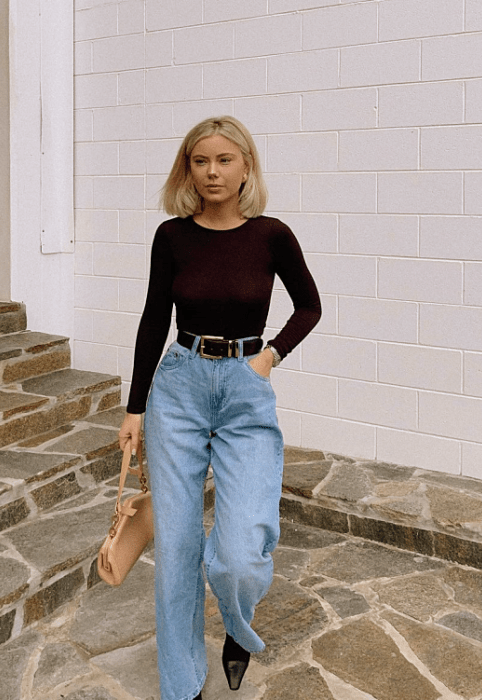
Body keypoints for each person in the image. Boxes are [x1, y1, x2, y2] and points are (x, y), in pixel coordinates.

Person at [118, 116, 321, 700]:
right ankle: (182, 684)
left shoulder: (271, 235)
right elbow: (155, 318)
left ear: (246, 167)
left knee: (239, 551)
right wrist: (135, 407)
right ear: (188, 168)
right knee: (177, 549)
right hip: (177, 388)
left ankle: (236, 626)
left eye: (224, 160)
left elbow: (309, 306)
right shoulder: (172, 237)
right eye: (200, 161)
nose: (212, 172)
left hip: (243, 386)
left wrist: (268, 358)